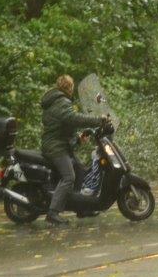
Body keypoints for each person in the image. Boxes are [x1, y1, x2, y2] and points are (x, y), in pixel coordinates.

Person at [40, 75, 108, 225]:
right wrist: (98, 120)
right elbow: (72, 118)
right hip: (55, 147)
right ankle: (52, 213)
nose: (71, 90)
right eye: (71, 87)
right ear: (69, 87)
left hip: (61, 144)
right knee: (69, 177)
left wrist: (77, 138)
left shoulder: (57, 101)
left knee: (80, 170)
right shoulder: (61, 101)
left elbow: (62, 126)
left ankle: (81, 207)